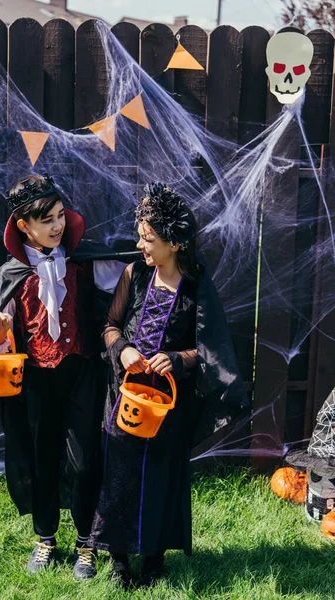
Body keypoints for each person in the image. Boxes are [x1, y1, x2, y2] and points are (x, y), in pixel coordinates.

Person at [88, 182, 249, 588]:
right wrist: (123, 349)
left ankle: (154, 560)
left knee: (160, 475)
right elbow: (109, 325)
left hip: (165, 407)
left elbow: (207, 349)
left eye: (149, 239)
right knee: (120, 475)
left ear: (175, 243)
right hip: (125, 398)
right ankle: (120, 559)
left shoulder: (194, 287)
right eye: (141, 237)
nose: (141, 246)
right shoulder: (134, 275)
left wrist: (177, 360)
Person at [0, 174, 102, 579]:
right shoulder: (10, 275)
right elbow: (2, 342)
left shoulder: (84, 263)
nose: (56, 226)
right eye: (46, 220)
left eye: (59, 216)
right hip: (36, 381)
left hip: (81, 371)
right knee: (42, 460)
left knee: (85, 462)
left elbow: (117, 302)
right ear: (23, 227)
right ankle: (45, 538)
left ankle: (87, 543)